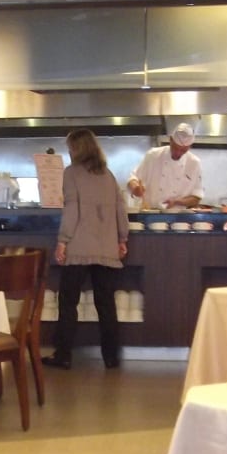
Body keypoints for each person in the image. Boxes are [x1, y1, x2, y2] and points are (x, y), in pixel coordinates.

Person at [44, 128, 129, 370]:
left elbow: (72, 209)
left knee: (68, 301)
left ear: (76, 149)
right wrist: (122, 238)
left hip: (79, 247)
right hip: (106, 247)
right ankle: (111, 358)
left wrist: (63, 240)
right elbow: (120, 209)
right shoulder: (108, 175)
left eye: (70, 147)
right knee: (106, 303)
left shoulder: (71, 173)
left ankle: (63, 355)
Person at [127, 122, 202, 209]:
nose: (178, 153)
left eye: (183, 150)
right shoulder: (153, 155)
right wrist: (135, 188)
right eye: (175, 148)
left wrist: (177, 202)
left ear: (190, 146)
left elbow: (197, 197)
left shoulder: (194, 163)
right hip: (150, 212)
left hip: (177, 215)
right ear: (170, 140)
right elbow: (133, 178)